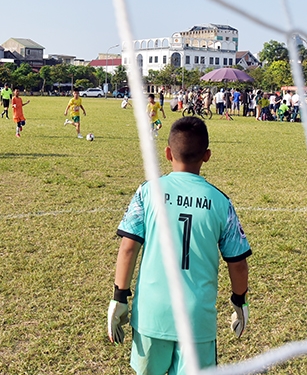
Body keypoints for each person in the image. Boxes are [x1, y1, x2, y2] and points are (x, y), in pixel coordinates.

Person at [107, 117, 251, 373]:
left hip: (152, 313)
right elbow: (238, 263)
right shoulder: (220, 203)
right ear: (207, 156)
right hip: (197, 319)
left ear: (167, 153)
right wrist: (239, 301)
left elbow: (128, 247)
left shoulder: (147, 191)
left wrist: (119, 297)